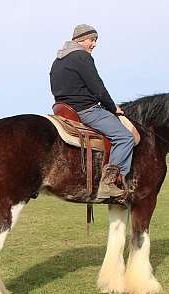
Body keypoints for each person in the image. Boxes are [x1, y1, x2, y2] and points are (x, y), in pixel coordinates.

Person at [50, 24, 134, 199]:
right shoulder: (82, 57)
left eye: (95, 40)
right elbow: (98, 88)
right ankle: (109, 183)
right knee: (125, 137)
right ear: (81, 39)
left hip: (63, 110)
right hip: (85, 110)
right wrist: (113, 108)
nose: (94, 44)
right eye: (92, 40)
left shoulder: (58, 60)